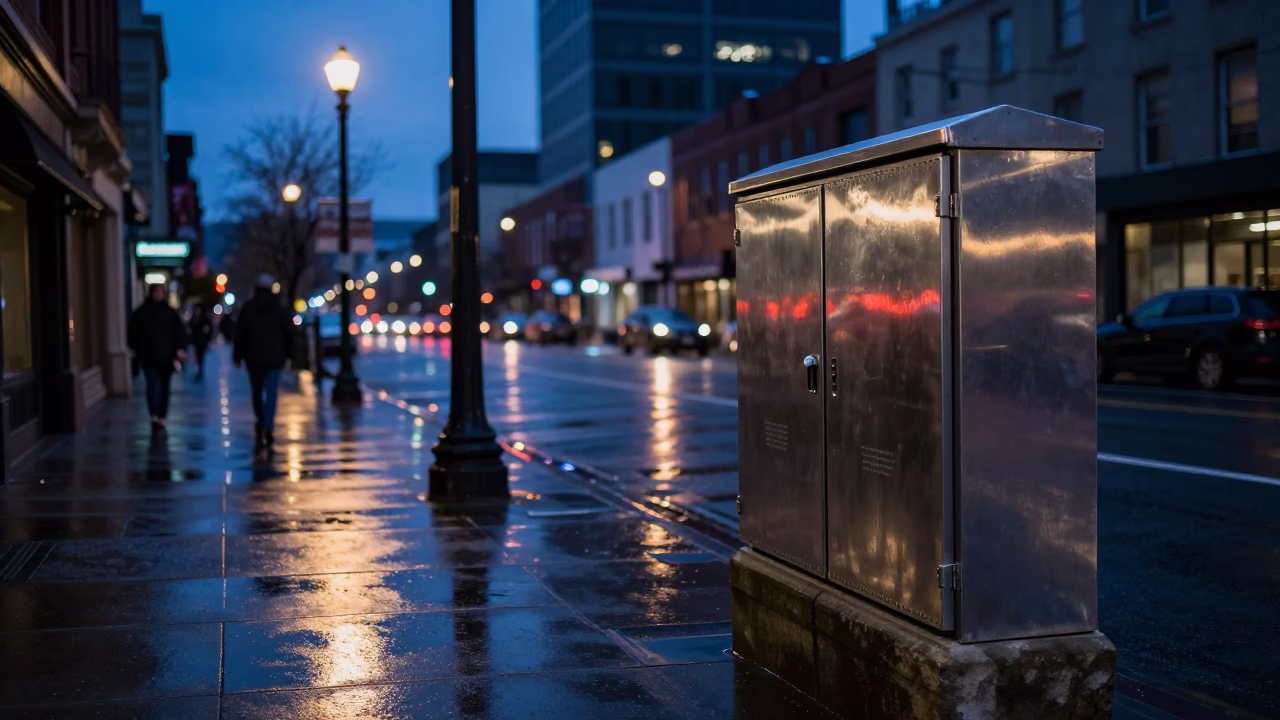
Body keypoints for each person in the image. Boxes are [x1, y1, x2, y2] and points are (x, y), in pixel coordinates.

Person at [234, 274, 294, 448]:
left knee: (257, 392)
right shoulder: (279, 308)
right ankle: (268, 425)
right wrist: (290, 355)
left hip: (254, 358)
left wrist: (237, 357)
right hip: (275, 357)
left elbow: (240, 335)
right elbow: (288, 333)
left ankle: (261, 420)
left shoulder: (248, 308)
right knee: (272, 393)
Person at [127, 284, 188, 433]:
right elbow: (133, 334)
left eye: (161, 292)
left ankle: (160, 415)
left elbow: (179, 333)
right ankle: (155, 415)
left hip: (165, 358)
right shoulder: (143, 313)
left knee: (163, 388)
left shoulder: (169, 314)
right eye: (157, 292)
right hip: (150, 356)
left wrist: (180, 349)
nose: (159, 295)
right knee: (154, 386)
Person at [188, 305, 213, 380]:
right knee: (197, 356)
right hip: (196, 341)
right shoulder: (194, 319)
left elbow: (208, 329)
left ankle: (200, 370)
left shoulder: (204, 319)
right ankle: (198, 370)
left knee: (200, 356)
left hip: (202, 341)